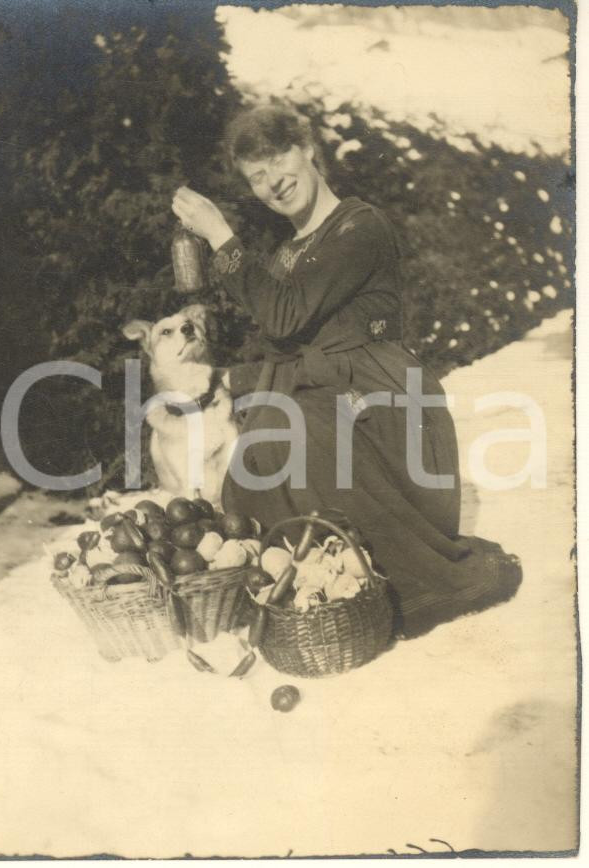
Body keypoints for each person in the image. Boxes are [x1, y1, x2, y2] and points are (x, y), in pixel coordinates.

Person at [171, 105, 521, 638]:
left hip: (384, 404)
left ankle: (375, 577)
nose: (273, 182)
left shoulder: (360, 226)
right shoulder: (289, 253)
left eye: (278, 159)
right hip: (325, 391)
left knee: (300, 439)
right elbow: (285, 339)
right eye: (256, 176)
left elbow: (283, 315)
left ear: (309, 150)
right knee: (253, 463)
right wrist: (231, 381)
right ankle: (310, 588)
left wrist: (219, 232)